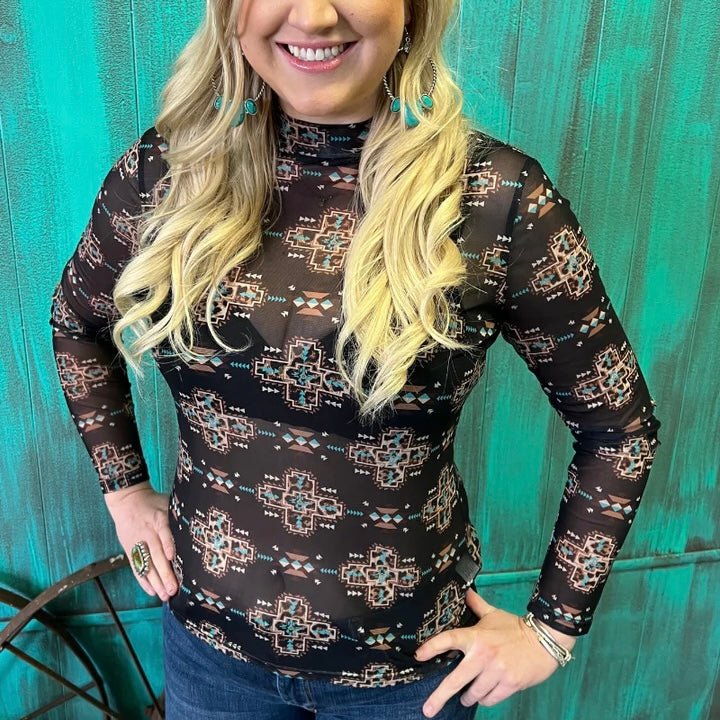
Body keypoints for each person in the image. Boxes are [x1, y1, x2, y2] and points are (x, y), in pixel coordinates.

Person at [49, 0, 662, 718]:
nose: (313, 16)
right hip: (210, 659)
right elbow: (76, 322)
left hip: (410, 679)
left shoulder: (496, 199)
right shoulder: (167, 172)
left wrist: (552, 630)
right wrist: (124, 492)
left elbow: (620, 428)